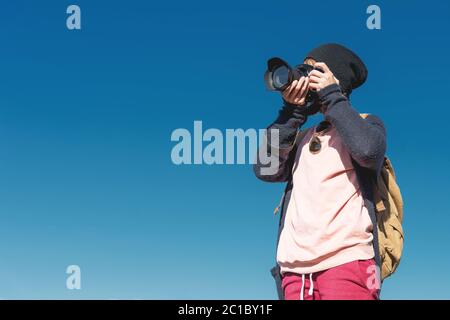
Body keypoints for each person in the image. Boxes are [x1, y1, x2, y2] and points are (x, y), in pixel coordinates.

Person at [254, 43, 386, 300]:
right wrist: (292, 113)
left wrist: (332, 96)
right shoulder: (302, 138)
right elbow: (265, 168)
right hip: (294, 272)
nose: (305, 76)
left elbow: (368, 151)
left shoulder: (367, 122)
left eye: (314, 70)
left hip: (346, 263)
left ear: (334, 77)